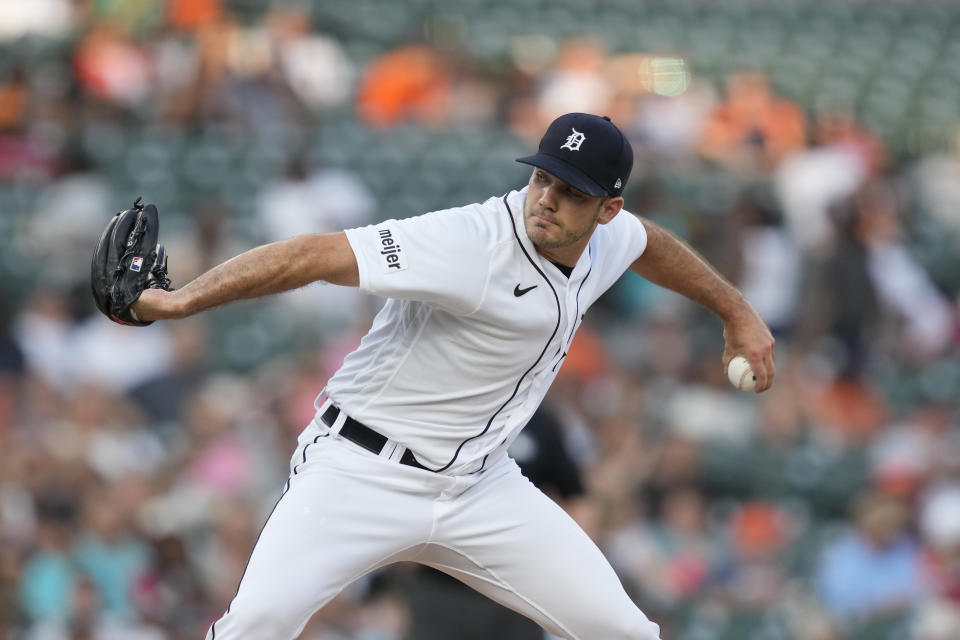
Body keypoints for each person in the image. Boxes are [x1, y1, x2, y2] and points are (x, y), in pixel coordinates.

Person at [133, 112, 776, 640]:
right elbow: (314, 254)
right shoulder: (469, 242)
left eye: (572, 191)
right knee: (255, 626)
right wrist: (182, 300)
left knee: (625, 633)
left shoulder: (610, 239)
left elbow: (652, 245)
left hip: (478, 487)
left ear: (607, 208)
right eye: (544, 178)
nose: (548, 200)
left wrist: (736, 311)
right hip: (361, 470)